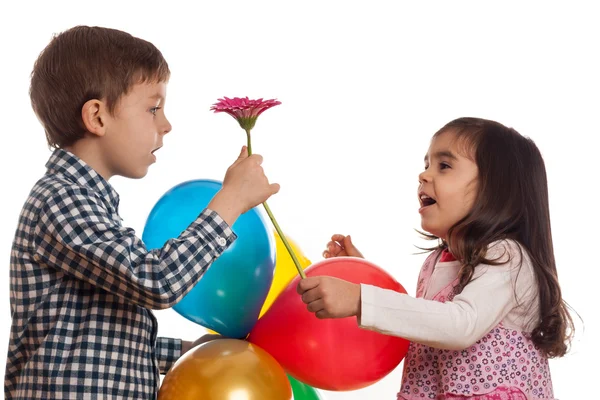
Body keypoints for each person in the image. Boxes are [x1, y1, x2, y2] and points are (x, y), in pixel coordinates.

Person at [5, 25, 279, 400]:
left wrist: (193, 349)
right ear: (97, 118)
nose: (166, 125)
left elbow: (109, 341)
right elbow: (156, 281)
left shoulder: (91, 206)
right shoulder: (61, 200)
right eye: (153, 108)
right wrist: (229, 201)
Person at [298, 117, 573, 399]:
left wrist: (360, 298)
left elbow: (460, 325)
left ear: (495, 189)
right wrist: (362, 274)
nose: (424, 175)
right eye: (427, 164)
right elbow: (425, 323)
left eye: (444, 166)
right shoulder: (435, 262)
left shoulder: (507, 256)